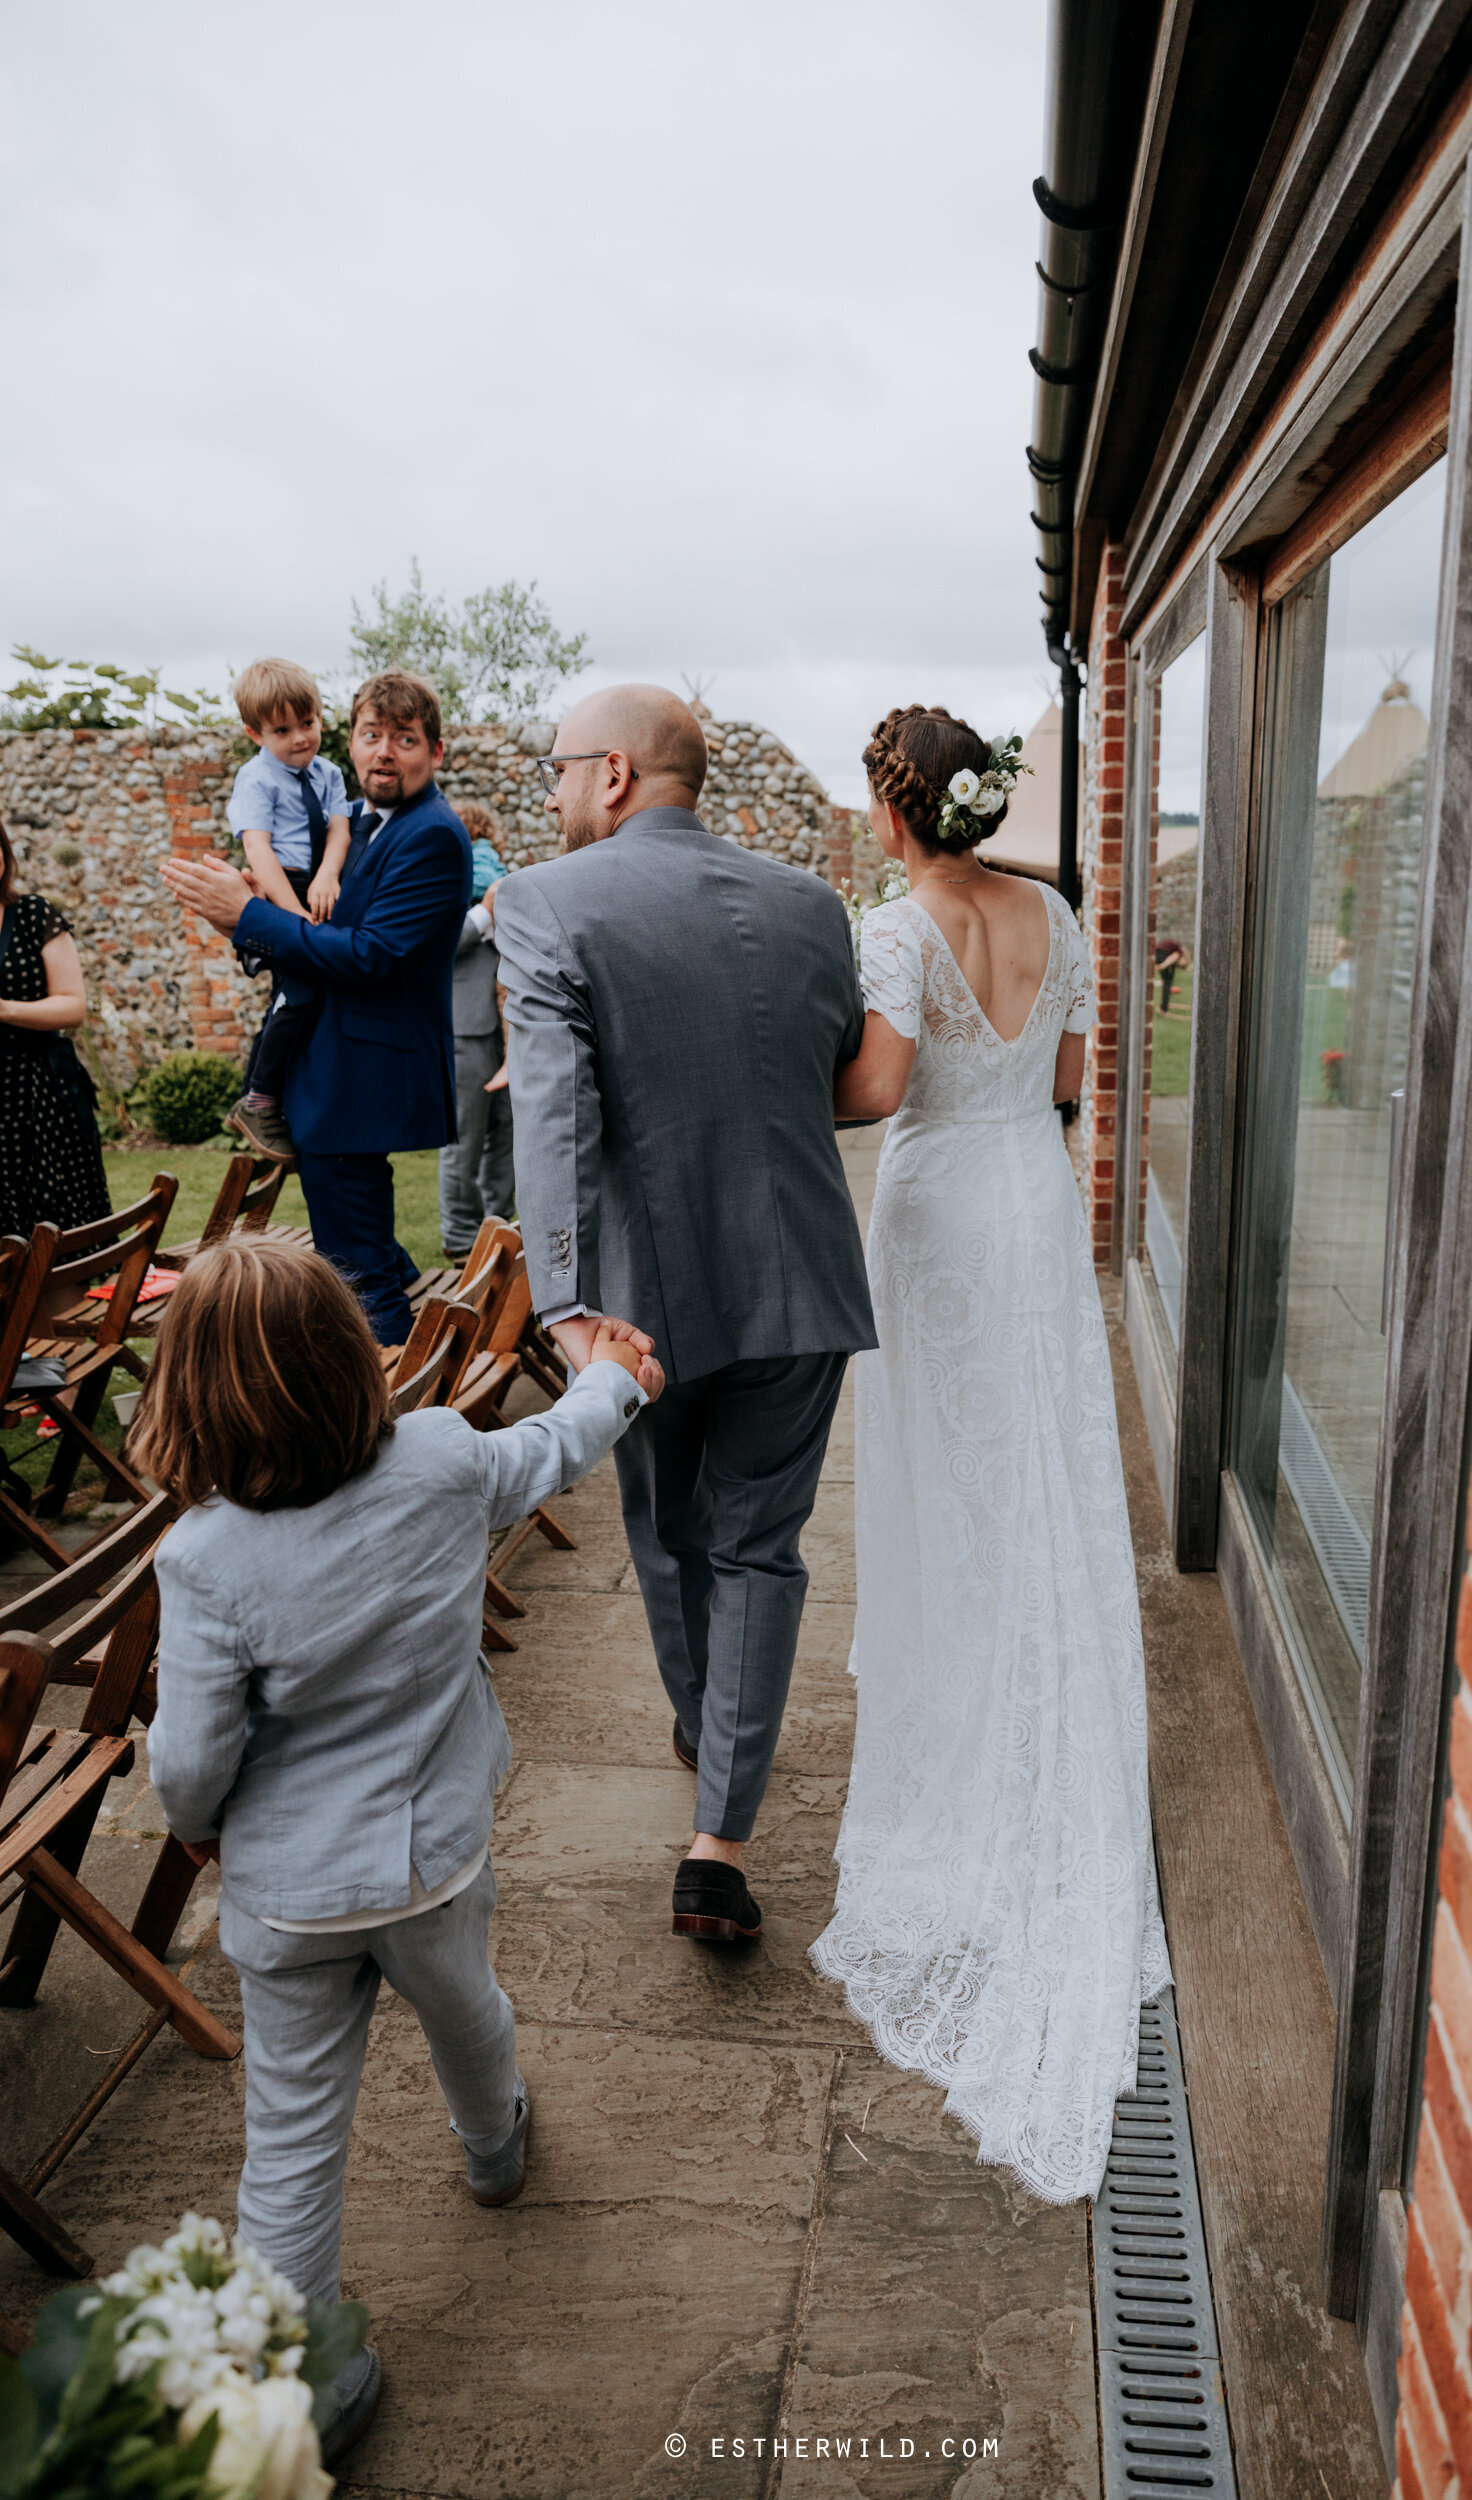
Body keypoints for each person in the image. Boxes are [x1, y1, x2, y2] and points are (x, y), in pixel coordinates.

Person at [137, 1236, 662, 2468]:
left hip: (290, 1892)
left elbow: (190, 1758)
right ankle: (494, 2149)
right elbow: (552, 1448)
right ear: (345, 1362)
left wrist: (199, 1828)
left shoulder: (202, 1560)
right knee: (465, 2006)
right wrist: (616, 1376)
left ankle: (295, 2380)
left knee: (292, 2134)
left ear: (187, 1397)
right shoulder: (433, 1459)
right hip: (433, 1858)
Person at [810, 704, 1171, 2207]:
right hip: (1026, 1186)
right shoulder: (1059, 913)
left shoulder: (895, 930)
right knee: (1034, 1462)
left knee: (947, 1483)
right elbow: (1080, 1076)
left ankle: (962, 1701)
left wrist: (806, 1083)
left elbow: (878, 1094)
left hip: (941, 1207)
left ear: (897, 810)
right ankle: (1030, 1669)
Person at [493, 685, 875, 1945]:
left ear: (611, 773)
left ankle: (703, 1720)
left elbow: (547, 1118)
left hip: (644, 1297)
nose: (549, 797)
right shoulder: (813, 904)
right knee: (761, 1546)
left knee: (663, 1530)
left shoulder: (546, 904)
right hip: (805, 1279)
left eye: (555, 772)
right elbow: (837, 1081)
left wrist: (564, 1306)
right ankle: (718, 1837)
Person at [161, 671, 471, 1345]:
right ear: (351, 742)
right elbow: (319, 936)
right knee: (364, 1248)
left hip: (360, 1083)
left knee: (358, 1280)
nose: (384, 752)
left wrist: (250, 917)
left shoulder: (432, 835)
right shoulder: (359, 824)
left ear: (435, 752)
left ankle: (385, 1418)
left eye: (405, 739)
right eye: (371, 736)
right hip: (336, 1076)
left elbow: (369, 955)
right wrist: (247, 916)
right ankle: (422, 1386)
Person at [223, 658, 353, 1161]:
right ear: (255, 732)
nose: (300, 737)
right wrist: (293, 916)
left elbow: (339, 830)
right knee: (298, 991)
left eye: (309, 723)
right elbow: (258, 850)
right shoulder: (255, 780)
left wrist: (327, 875)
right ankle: (258, 1099)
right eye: (283, 730)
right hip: (283, 886)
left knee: (314, 994)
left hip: (320, 883)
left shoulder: (329, 773)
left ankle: (285, 1099)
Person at [0, 815, 111, 1237]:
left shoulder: (32, 914)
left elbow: (72, 1006)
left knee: (58, 1224)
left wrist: (4, 1010)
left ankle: (73, 1305)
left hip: (42, 1093)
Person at [439, 802, 515, 1259]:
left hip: (506, 1030)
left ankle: (498, 1227)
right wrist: (485, 913)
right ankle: (461, 1240)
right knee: (462, 1140)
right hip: (464, 1028)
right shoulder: (444, 886)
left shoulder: (498, 878)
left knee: (504, 1135)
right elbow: (436, 948)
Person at [1154, 930, 1187, 1015]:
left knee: (1167, 982)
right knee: (1168, 983)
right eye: (1181, 966)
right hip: (1162, 955)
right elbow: (1173, 958)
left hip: (1158, 953)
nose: (1179, 967)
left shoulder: (1174, 947)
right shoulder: (1179, 952)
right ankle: (1164, 1009)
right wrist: (1162, 966)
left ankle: (1164, 1005)